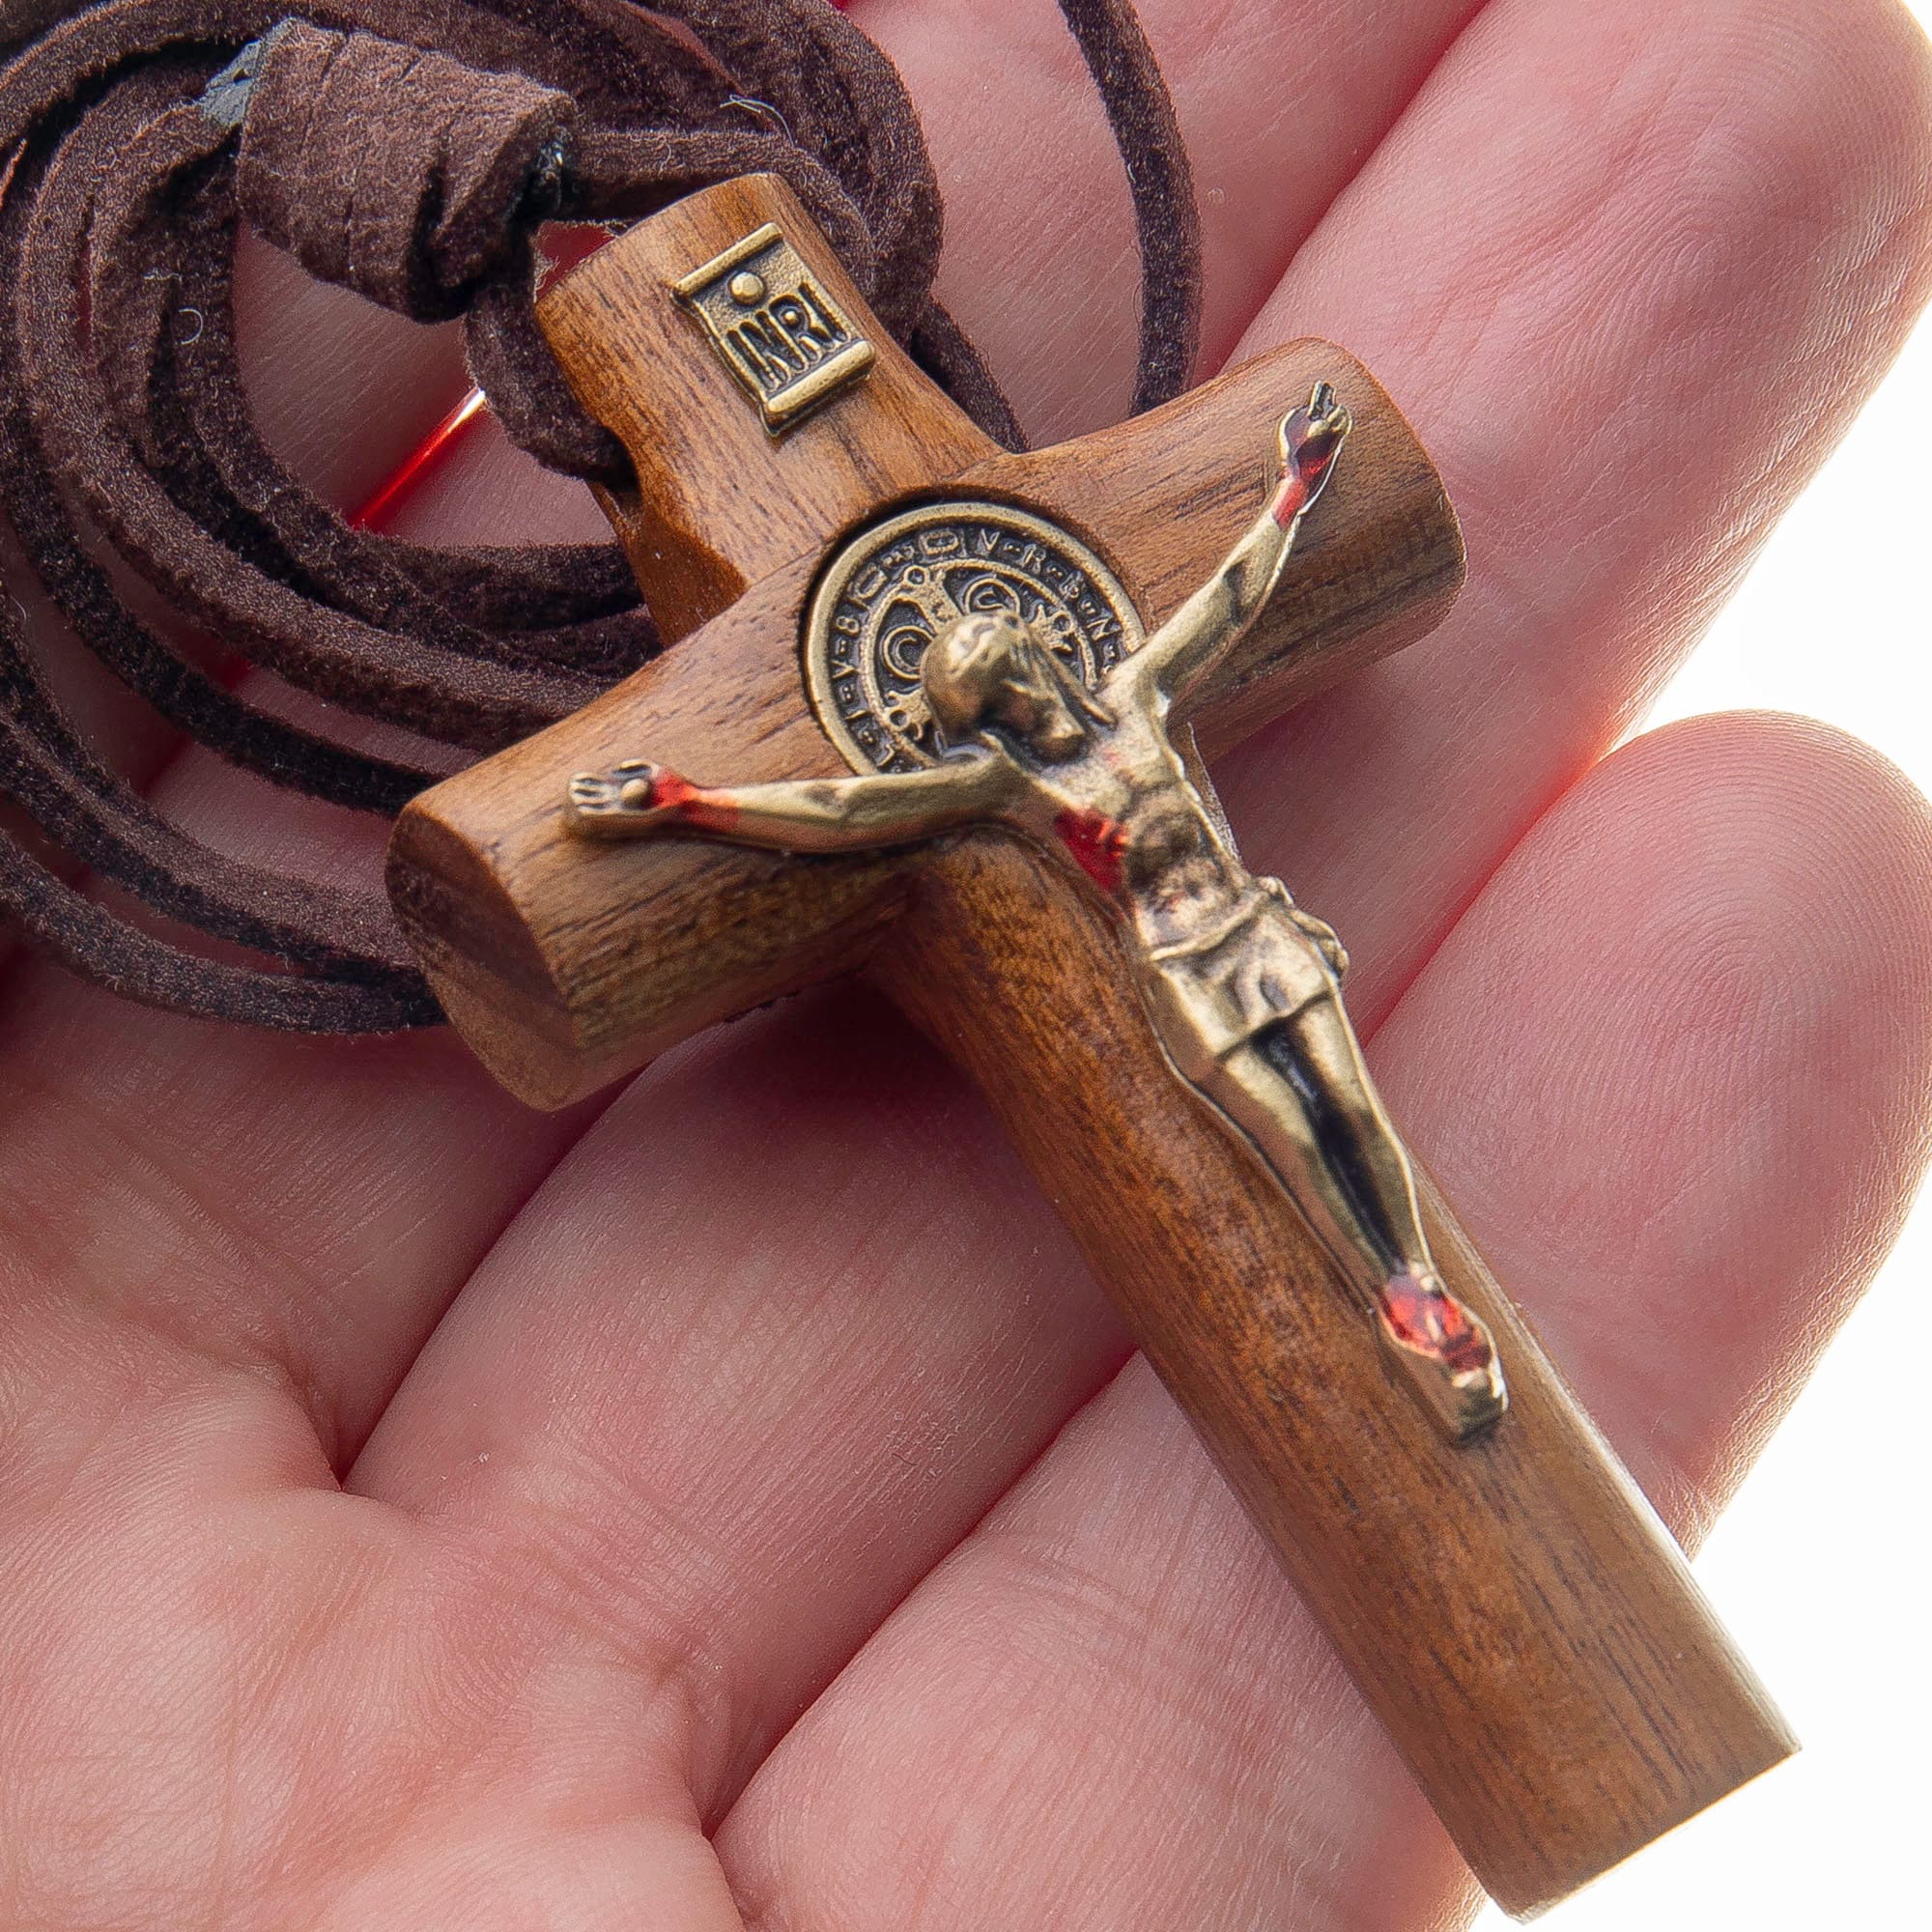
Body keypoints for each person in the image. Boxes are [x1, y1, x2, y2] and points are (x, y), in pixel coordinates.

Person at [569, 384, 1506, 1436]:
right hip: (1181, 971)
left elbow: (1227, 599)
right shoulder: (1006, 789)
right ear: (984, 718)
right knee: (1293, 1142)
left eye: (1007, 660)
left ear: (1035, 657)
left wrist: (1289, 487)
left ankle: (1418, 1280)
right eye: (992, 690)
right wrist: (691, 803)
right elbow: (847, 804)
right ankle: (1394, 1302)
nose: (1018, 685)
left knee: (1353, 1113)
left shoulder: (1138, 698)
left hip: (1257, 933)